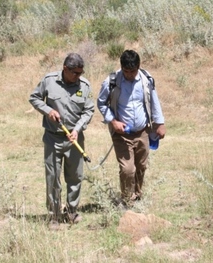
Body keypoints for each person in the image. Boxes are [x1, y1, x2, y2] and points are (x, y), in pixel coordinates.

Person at [29, 53, 94, 230]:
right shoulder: (49, 81)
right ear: (65, 69)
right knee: (53, 178)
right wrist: (48, 110)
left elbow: (89, 111)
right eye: (75, 73)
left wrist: (77, 128)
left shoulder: (85, 86)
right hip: (53, 138)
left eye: (81, 73)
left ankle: (72, 211)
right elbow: (34, 98)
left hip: (75, 139)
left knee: (75, 176)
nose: (78, 76)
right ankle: (54, 216)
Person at [97, 50, 166, 208]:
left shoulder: (146, 79)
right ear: (121, 67)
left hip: (143, 131)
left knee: (141, 165)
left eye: (132, 71)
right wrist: (113, 121)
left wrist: (159, 123)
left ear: (138, 67)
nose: (129, 75)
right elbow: (101, 103)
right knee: (128, 169)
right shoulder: (112, 81)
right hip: (122, 133)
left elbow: (154, 101)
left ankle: (138, 195)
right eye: (126, 71)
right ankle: (127, 201)